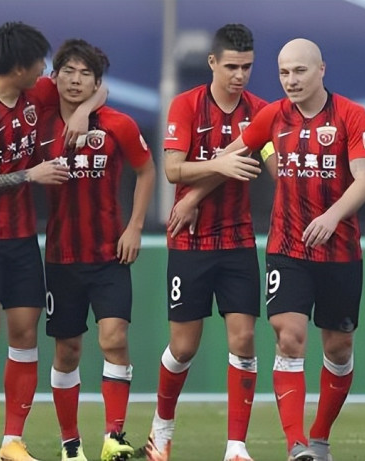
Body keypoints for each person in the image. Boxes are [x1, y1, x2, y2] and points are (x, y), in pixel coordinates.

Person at [172, 38, 365, 461]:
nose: (291, 80)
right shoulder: (272, 116)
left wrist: (331, 216)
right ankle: (296, 444)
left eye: (299, 71)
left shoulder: (351, 115)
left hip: (340, 250)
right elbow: (229, 156)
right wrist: (192, 197)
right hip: (287, 247)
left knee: (338, 348)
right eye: (284, 72)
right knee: (288, 336)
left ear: (321, 70)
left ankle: (319, 436)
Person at [0, 22, 105, 461]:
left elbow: (98, 88)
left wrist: (84, 111)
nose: (48, 72)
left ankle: (12, 441)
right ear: (19, 67)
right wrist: (30, 174)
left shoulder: (36, 95)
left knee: (25, 335)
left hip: (23, 238)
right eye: (39, 64)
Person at [143, 24, 272, 461]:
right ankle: (161, 430)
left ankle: (236, 447)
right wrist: (219, 166)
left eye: (247, 67)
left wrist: (195, 194)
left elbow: (264, 158)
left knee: (244, 339)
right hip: (190, 240)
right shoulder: (186, 105)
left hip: (237, 239)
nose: (240, 75)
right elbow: (172, 170)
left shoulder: (260, 112)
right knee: (183, 347)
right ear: (213, 62)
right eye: (232, 66)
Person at [37, 39, 155, 461]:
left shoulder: (118, 124)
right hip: (61, 257)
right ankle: (70, 444)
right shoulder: (40, 124)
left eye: (85, 74)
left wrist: (135, 227)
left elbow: (146, 171)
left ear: (97, 82)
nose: (75, 80)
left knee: (114, 339)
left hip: (109, 254)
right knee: (67, 350)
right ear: (55, 77)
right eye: (68, 71)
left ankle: (114, 437)